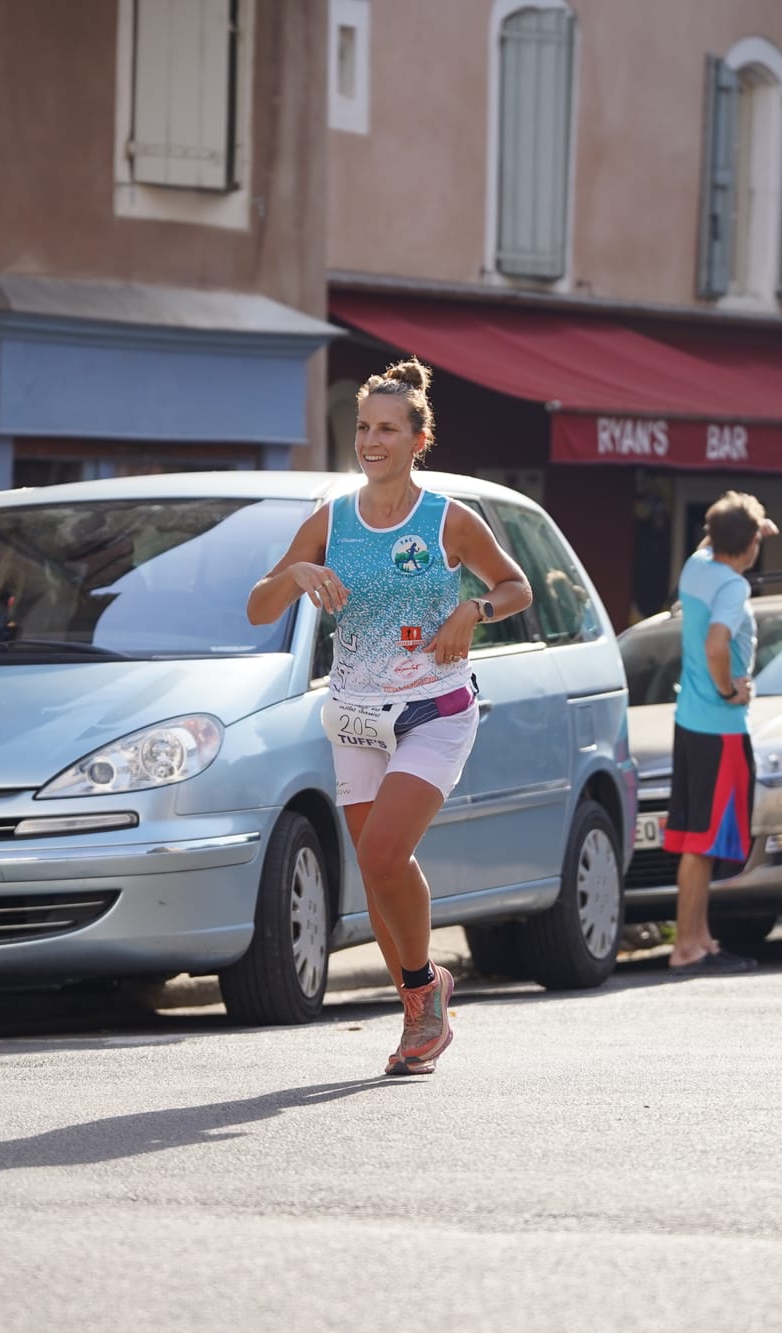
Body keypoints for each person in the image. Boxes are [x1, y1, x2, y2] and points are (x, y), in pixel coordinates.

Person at [246, 358, 532, 1075]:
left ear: (417, 438)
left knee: (380, 853)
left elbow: (516, 586)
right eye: (362, 427)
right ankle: (420, 1004)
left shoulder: (449, 520)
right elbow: (257, 606)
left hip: (436, 708)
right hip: (355, 715)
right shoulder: (331, 519)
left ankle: (422, 993)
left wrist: (474, 608)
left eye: (386, 428)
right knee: (378, 873)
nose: (370, 439)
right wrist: (293, 575)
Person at [664, 491, 778, 976]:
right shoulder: (732, 587)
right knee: (704, 841)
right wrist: (730, 688)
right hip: (721, 724)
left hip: (690, 720)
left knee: (696, 838)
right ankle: (687, 947)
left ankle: (701, 939)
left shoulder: (696, 569)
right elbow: (717, 644)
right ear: (750, 543)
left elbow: (717, 539)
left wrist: (752, 526)